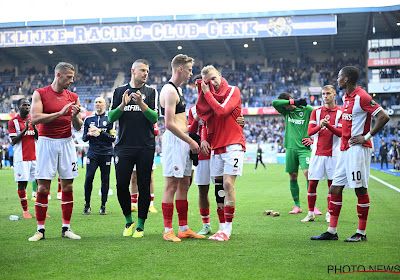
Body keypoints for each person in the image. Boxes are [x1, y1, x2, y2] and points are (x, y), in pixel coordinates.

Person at [311, 66, 390, 242]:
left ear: (346, 79)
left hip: (358, 150)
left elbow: (383, 116)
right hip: (345, 150)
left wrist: (366, 136)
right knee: (335, 188)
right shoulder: (346, 98)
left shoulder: (362, 97)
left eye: (339, 76)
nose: (337, 79)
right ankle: (332, 231)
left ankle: (361, 233)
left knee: (360, 188)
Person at [28, 62, 83, 241]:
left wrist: (74, 117)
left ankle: (66, 228)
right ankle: (40, 230)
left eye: (72, 77)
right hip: (46, 142)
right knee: (43, 188)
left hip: (66, 142)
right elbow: (35, 118)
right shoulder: (41, 93)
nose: (71, 80)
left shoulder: (73, 96)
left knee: (67, 186)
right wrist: (60, 113)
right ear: (58, 75)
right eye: (68, 77)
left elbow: (79, 126)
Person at [108, 59, 158, 238]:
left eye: (147, 71)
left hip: (145, 146)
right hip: (124, 146)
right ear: (133, 71)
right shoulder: (119, 91)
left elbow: (154, 119)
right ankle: (128, 220)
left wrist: (142, 105)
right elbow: (111, 117)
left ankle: (140, 225)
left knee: (144, 185)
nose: (146, 74)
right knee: (121, 184)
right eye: (143, 70)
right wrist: (123, 105)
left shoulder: (151, 92)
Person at [196, 65, 246, 241]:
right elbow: (204, 119)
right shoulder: (208, 99)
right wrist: (203, 138)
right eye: (208, 81)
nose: (213, 83)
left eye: (214, 78)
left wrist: (206, 93)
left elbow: (222, 111)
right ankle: (221, 227)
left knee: (227, 184)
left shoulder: (233, 90)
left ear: (220, 75)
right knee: (218, 189)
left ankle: (228, 228)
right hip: (216, 147)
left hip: (233, 144)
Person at [159, 54, 204, 242]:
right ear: (180, 69)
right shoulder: (169, 91)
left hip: (183, 141)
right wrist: (191, 141)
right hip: (175, 141)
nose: (191, 73)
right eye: (189, 69)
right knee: (172, 184)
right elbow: (168, 123)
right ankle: (168, 229)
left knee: (184, 183)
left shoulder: (178, 90)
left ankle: (183, 228)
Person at [301, 85, 342, 223]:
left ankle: (329, 214)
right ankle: (311, 213)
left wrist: (328, 125)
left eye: (328, 93)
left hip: (333, 154)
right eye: (323, 94)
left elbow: (341, 133)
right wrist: (321, 125)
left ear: (334, 95)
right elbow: (310, 131)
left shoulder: (341, 113)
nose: (325, 96)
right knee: (312, 184)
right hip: (317, 154)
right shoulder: (316, 112)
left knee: (332, 185)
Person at [272, 93, 315, 214]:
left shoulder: (307, 109)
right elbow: (274, 103)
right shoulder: (286, 111)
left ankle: (313, 206)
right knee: (293, 176)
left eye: (287, 104)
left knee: (308, 174)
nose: (285, 107)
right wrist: (293, 102)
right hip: (290, 148)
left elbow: (320, 121)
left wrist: (313, 140)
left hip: (303, 148)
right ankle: (297, 206)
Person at [82, 97, 116, 215]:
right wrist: (89, 133)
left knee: (105, 179)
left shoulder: (110, 119)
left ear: (105, 105)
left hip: (106, 153)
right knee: (88, 177)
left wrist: (101, 132)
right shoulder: (88, 119)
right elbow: (84, 138)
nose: (97, 104)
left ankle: (103, 206)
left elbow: (113, 138)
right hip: (93, 153)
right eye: (96, 102)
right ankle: (87, 205)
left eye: (100, 102)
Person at [8, 98, 39, 219]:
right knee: (22, 184)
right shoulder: (13, 122)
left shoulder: (33, 119)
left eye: (28, 105)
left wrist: (34, 127)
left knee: (39, 183)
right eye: (24, 105)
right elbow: (13, 141)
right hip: (21, 158)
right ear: (18, 107)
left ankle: (38, 212)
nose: (27, 107)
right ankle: (25, 211)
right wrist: (25, 129)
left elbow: (38, 137)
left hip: (35, 157)